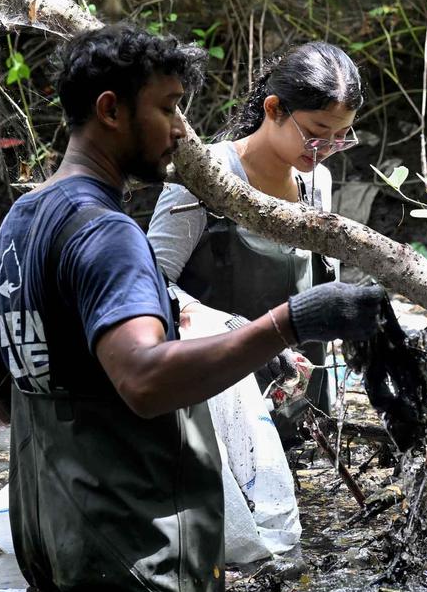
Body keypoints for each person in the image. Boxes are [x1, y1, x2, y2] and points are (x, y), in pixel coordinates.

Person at [0, 24, 383, 592]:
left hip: (51, 545)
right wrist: (284, 325)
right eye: (168, 108)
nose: (179, 129)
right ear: (111, 110)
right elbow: (144, 382)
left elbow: (2, 397)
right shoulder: (109, 235)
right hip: (139, 556)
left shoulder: (13, 229)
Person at [148, 42, 363, 427]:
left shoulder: (317, 182)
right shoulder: (204, 175)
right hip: (216, 405)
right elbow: (150, 284)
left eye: (342, 137)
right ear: (274, 109)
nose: (327, 149)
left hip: (300, 407)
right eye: (317, 133)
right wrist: (228, 328)